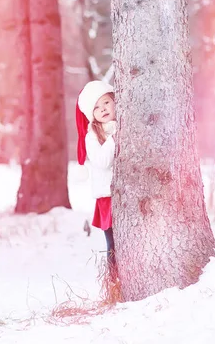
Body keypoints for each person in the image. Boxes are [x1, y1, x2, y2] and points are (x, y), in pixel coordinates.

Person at [75, 80, 118, 281]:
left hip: (123, 194)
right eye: (97, 108)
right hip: (107, 197)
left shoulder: (120, 127)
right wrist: (113, 139)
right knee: (114, 245)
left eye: (106, 103)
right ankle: (113, 280)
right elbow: (101, 161)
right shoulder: (93, 136)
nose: (103, 109)